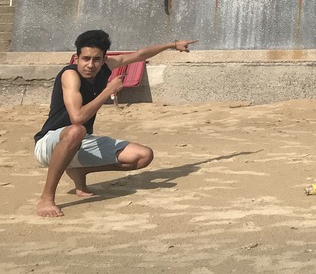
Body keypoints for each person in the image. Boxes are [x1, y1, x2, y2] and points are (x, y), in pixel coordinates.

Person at [33, 30, 197, 218]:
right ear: (76, 58)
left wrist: (172, 45)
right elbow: (77, 118)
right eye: (85, 58)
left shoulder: (105, 67)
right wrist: (108, 91)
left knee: (143, 156)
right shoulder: (69, 76)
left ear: (104, 59)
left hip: (79, 141)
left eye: (96, 59)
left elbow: (139, 55)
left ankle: (80, 169)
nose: (90, 65)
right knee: (77, 130)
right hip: (49, 144)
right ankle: (47, 198)